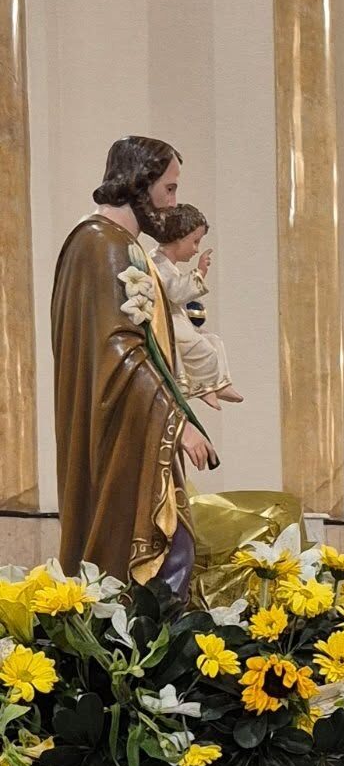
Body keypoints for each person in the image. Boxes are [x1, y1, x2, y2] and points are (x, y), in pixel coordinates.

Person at [51, 136, 214, 593]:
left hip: (135, 429)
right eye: (169, 190)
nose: (172, 204)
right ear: (139, 186)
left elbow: (148, 343)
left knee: (175, 554)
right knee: (163, 557)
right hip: (117, 436)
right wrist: (176, 420)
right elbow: (116, 352)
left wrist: (193, 386)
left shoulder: (119, 244)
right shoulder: (100, 245)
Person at [149, 205, 243, 409]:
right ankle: (203, 388)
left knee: (214, 341)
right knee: (205, 350)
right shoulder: (157, 264)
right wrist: (199, 273)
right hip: (168, 324)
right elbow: (176, 292)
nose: (196, 249)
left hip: (178, 319)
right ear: (179, 238)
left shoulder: (167, 264)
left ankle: (219, 385)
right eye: (195, 241)